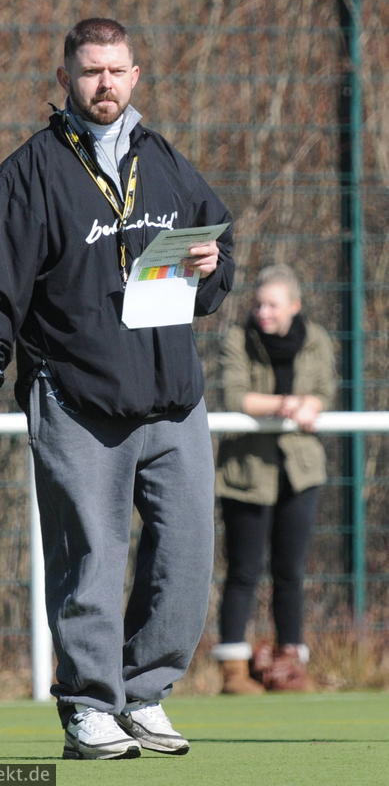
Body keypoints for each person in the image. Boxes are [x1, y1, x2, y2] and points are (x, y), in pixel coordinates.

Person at [0, 18, 234, 759]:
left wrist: (212, 267)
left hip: (174, 397)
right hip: (76, 396)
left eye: (116, 69)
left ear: (135, 75)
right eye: (90, 71)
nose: (104, 83)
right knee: (90, 561)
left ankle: (145, 693)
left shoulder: (164, 161)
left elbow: (216, 253)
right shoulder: (28, 173)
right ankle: (89, 706)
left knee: (186, 557)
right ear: (65, 78)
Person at [212, 264, 335, 694]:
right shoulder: (237, 339)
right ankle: (233, 668)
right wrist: (288, 405)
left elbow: (324, 391)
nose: (263, 313)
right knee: (243, 570)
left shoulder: (317, 339)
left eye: (272, 305)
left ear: (294, 306)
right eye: (258, 305)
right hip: (246, 471)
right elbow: (235, 396)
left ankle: (290, 663)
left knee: (290, 571)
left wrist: (312, 404)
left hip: (300, 470)